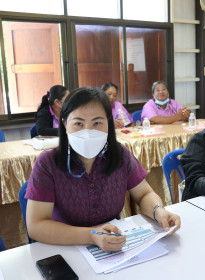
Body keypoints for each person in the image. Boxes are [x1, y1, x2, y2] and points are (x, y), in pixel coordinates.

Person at [25, 87, 180, 252]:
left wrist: (159, 211)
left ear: (109, 123)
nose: (88, 131)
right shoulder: (48, 163)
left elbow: (144, 194)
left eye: (97, 123)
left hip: (113, 248)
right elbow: (36, 226)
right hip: (65, 249)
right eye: (78, 123)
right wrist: (91, 235)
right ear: (64, 123)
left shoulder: (120, 155)